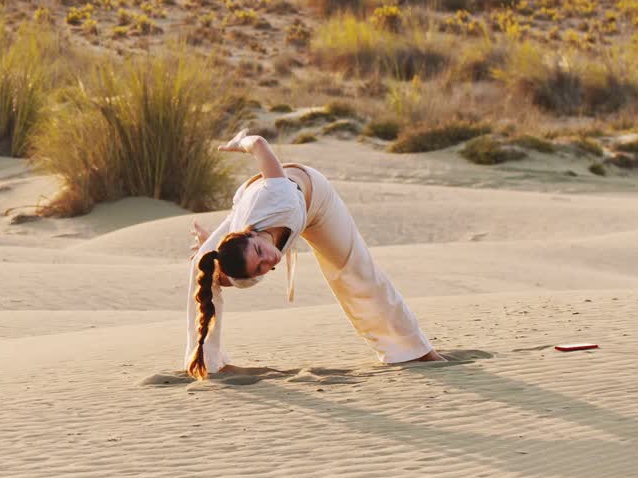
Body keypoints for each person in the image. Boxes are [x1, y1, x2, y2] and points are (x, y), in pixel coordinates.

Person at [185, 128, 445, 380]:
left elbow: (260, 144)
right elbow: (228, 276)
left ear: (250, 234)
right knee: (204, 268)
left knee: (356, 271)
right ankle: (208, 363)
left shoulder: (277, 198)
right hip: (249, 221)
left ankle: (414, 351)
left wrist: (240, 142)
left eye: (260, 252)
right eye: (261, 266)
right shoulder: (250, 266)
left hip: (315, 198)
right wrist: (212, 250)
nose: (270, 260)